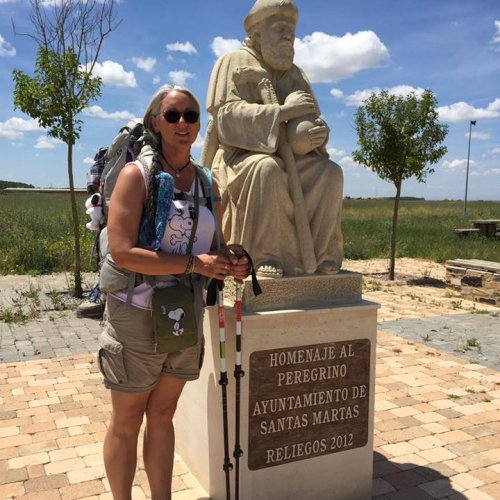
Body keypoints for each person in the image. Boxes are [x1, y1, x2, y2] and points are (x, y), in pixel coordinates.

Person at [99, 85, 249, 499]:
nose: (183, 123)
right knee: (127, 421)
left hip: (182, 315)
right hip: (136, 314)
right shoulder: (136, 175)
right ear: (155, 123)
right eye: (173, 115)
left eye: (191, 115)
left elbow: (212, 247)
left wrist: (231, 263)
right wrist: (191, 265)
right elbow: (123, 252)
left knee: (163, 415)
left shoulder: (205, 182)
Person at [203, 0, 343, 277]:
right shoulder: (233, 61)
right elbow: (227, 119)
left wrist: (318, 134)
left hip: (290, 156)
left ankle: (323, 256)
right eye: (279, 28)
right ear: (256, 34)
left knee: (329, 173)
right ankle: (264, 256)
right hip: (239, 158)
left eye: (291, 30)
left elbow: (310, 118)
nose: (288, 36)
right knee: (266, 168)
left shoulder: (295, 74)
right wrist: (281, 112)